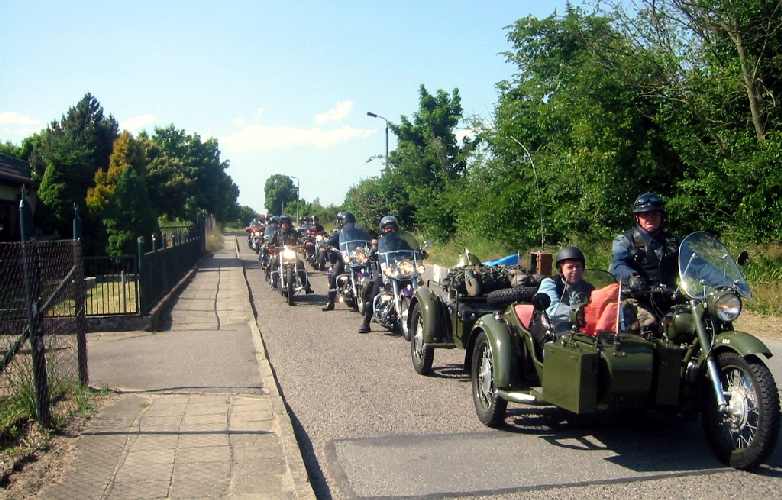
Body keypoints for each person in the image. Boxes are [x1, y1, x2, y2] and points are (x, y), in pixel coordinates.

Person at [609, 192, 679, 327]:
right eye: (645, 214)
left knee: (692, 321)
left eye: (655, 214)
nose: (650, 218)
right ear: (637, 217)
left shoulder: (673, 241)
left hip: (670, 298)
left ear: (661, 216)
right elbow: (617, 265)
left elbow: (695, 263)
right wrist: (632, 277)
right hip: (638, 299)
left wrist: (720, 279)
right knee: (647, 323)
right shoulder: (625, 240)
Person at [358, 215, 400, 333]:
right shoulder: (380, 242)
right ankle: (366, 323)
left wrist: (419, 253)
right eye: (387, 228)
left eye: (392, 227)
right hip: (384, 273)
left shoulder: (401, 241)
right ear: (382, 229)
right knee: (374, 295)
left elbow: (410, 250)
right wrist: (372, 254)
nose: (389, 230)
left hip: (400, 272)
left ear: (396, 228)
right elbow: (373, 252)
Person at [537, 247, 594, 332]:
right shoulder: (550, 283)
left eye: (578, 266)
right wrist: (579, 314)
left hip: (579, 332)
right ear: (561, 269)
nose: (575, 270)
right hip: (552, 331)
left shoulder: (587, 287)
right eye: (570, 267)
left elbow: (597, 304)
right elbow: (551, 310)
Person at [321, 211, 356, 311]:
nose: (350, 225)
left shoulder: (358, 233)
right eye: (348, 223)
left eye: (351, 223)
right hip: (343, 259)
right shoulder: (339, 234)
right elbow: (329, 242)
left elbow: (366, 239)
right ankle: (330, 302)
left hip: (356, 258)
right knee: (334, 275)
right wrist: (326, 244)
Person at [269, 215, 312, 293]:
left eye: (287, 223)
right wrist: (269, 245)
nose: (285, 225)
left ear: (289, 224)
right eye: (283, 223)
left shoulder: (294, 232)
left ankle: (306, 286)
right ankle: (274, 282)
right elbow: (271, 242)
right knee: (273, 263)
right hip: (281, 253)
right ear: (281, 224)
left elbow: (300, 239)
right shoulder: (277, 233)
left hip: (292, 253)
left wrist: (305, 242)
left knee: (300, 264)